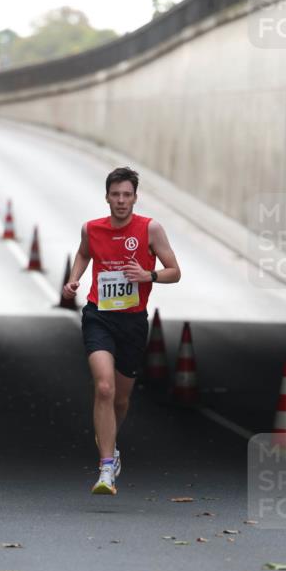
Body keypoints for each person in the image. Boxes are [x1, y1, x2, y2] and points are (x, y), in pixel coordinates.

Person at [63, 167, 181, 495]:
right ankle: (105, 469)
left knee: (121, 400)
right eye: (115, 195)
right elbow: (84, 253)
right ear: (107, 197)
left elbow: (175, 272)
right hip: (98, 315)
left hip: (132, 321)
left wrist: (149, 275)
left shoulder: (150, 229)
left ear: (135, 198)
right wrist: (74, 279)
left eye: (127, 195)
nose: (121, 201)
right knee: (104, 387)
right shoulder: (92, 229)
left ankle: (111, 446)